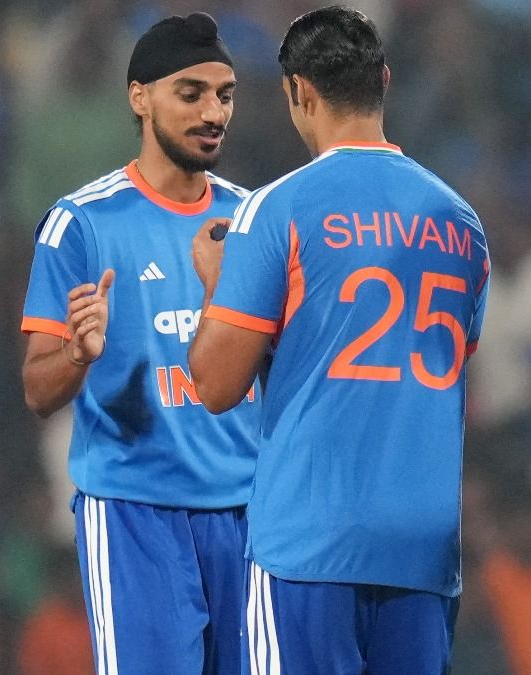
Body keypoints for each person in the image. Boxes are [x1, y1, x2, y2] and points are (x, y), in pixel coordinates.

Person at [186, 7, 490, 674]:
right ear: (384, 79)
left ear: (298, 91)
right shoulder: (462, 223)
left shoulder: (277, 208)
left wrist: (216, 284)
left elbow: (214, 384)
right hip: (423, 543)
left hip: (311, 538)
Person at [19, 13, 259, 674]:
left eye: (226, 94)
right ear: (139, 97)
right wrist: (78, 353)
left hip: (251, 513)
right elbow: (38, 390)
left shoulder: (255, 221)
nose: (214, 112)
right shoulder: (80, 224)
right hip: (136, 514)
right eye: (191, 93)